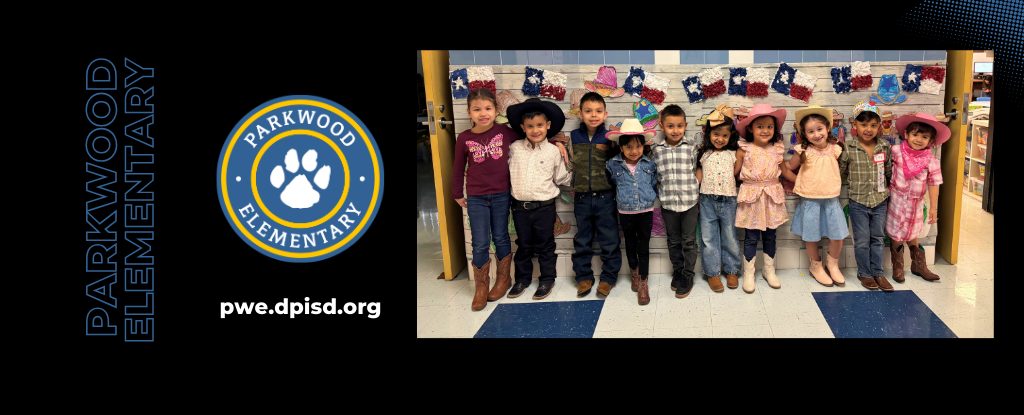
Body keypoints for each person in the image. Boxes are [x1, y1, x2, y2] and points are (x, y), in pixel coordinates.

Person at [452, 89, 566, 311]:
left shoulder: (505, 133)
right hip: (483, 197)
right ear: (468, 112)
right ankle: (484, 285)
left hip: (508, 196)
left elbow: (537, 138)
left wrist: (558, 143)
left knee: (505, 237)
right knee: (485, 241)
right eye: (477, 109)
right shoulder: (469, 138)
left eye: (488, 108)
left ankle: (517, 280)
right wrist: (457, 193)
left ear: (495, 110)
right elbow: (457, 168)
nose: (483, 114)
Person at [504, 98, 572, 299]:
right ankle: (522, 279)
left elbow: (561, 177)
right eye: (530, 126)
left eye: (540, 125)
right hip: (519, 208)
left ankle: (546, 279)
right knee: (523, 245)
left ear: (548, 126)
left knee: (546, 245)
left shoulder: (553, 151)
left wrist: (566, 154)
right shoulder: (513, 148)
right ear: (522, 128)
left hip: (544, 208)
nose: (536, 130)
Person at [786, 106, 849, 287]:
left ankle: (833, 264)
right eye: (810, 131)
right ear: (804, 134)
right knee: (811, 235)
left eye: (819, 129)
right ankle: (815, 266)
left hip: (831, 200)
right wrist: (776, 163)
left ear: (828, 128)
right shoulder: (803, 151)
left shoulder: (836, 149)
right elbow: (790, 167)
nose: (816, 134)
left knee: (837, 235)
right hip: (810, 200)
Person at [569, 92, 622, 297]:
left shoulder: (610, 137)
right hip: (581, 197)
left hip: (605, 198)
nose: (594, 115)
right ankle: (583, 277)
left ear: (605, 114)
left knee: (609, 240)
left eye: (598, 111)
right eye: (588, 111)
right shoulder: (574, 137)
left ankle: (608, 278)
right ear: (580, 114)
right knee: (582, 240)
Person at [733, 104, 789, 292]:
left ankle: (768, 270)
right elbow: (734, 172)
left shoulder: (778, 148)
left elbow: (786, 171)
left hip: (772, 196)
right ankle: (749, 273)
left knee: (770, 235)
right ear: (750, 128)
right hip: (751, 196)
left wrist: (803, 182)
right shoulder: (744, 149)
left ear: (775, 129)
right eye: (760, 126)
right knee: (750, 237)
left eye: (769, 127)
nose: (765, 130)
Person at [886, 113, 948, 282]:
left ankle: (919, 265)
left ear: (931, 141)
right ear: (906, 134)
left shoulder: (931, 161)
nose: (919, 139)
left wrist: (934, 208)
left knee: (913, 233)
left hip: (916, 204)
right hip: (896, 202)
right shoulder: (896, 152)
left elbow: (934, 184)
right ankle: (897, 266)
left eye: (924, 136)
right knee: (896, 234)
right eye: (915, 134)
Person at [840, 101, 894, 291]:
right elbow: (841, 173)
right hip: (858, 201)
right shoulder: (848, 148)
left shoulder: (885, 146)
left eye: (873, 125)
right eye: (864, 125)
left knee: (878, 238)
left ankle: (878, 272)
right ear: (854, 125)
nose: (868, 129)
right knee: (862, 240)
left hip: (880, 200)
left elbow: (889, 172)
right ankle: (864, 272)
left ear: (879, 126)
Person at [606, 119, 659, 305]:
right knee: (629, 244)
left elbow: (653, 184)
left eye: (638, 146)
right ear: (621, 147)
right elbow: (613, 184)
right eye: (629, 147)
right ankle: (634, 273)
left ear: (644, 146)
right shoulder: (613, 164)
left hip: (646, 211)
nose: (634, 150)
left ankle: (643, 281)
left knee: (643, 246)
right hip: (625, 212)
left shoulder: (649, 165)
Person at [651, 104, 701, 298]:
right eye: (670, 126)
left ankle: (688, 274)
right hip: (668, 203)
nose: (675, 130)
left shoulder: (691, 148)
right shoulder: (656, 150)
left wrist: (695, 186)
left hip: (689, 202)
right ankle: (678, 270)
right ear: (662, 126)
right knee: (673, 240)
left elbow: (697, 168)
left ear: (685, 125)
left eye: (679, 126)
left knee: (689, 240)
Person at [693, 104, 744, 292]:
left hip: (729, 199)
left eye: (725, 135)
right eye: (716, 134)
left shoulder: (734, 153)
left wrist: (743, 154)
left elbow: (736, 175)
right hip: (706, 200)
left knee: (730, 236)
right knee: (708, 237)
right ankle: (712, 272)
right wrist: (695, 193)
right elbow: (699, 175)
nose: (720, 139)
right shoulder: (703, 153)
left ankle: (731, 269)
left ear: (731, 136)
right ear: (708, 134)